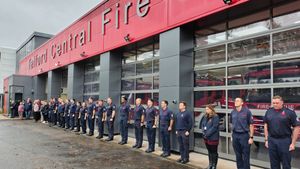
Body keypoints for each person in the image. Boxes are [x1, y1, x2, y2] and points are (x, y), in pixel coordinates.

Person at [264, 95, 300, 169]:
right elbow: (265, 124)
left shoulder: (289, 112)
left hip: (285, 141)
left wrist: (293, 143)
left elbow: (297, 127)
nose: (275, 105)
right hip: (272, 140)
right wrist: (266, 139)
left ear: (282, 102)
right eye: (273, 103)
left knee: (286, 164)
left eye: (277, 103)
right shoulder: (269, 111)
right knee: (274, 164)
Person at [230, 97, 254, 169]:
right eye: (235, 101)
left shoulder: (247, 112)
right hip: (235, 135)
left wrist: (251, 137)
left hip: (244, 136)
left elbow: (251, 125)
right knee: (238, 155)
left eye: (238, 101)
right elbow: (231, 124)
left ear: (242, 103)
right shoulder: (232, 112)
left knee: (246, 155)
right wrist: (232, 135)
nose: (235, 102)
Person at [201, 105, 220, 169]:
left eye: (208, 109)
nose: (206, 110)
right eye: (206, 109)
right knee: (209, 151)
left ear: (211, 109)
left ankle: (214, 165)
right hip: (206, 137)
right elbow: (203, 125)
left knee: (214, 152)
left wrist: (207, 134)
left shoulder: (215, 117)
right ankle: (210, 164)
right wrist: (203, 131)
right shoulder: (205, 116)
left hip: (213, 137)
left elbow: (214, 127)